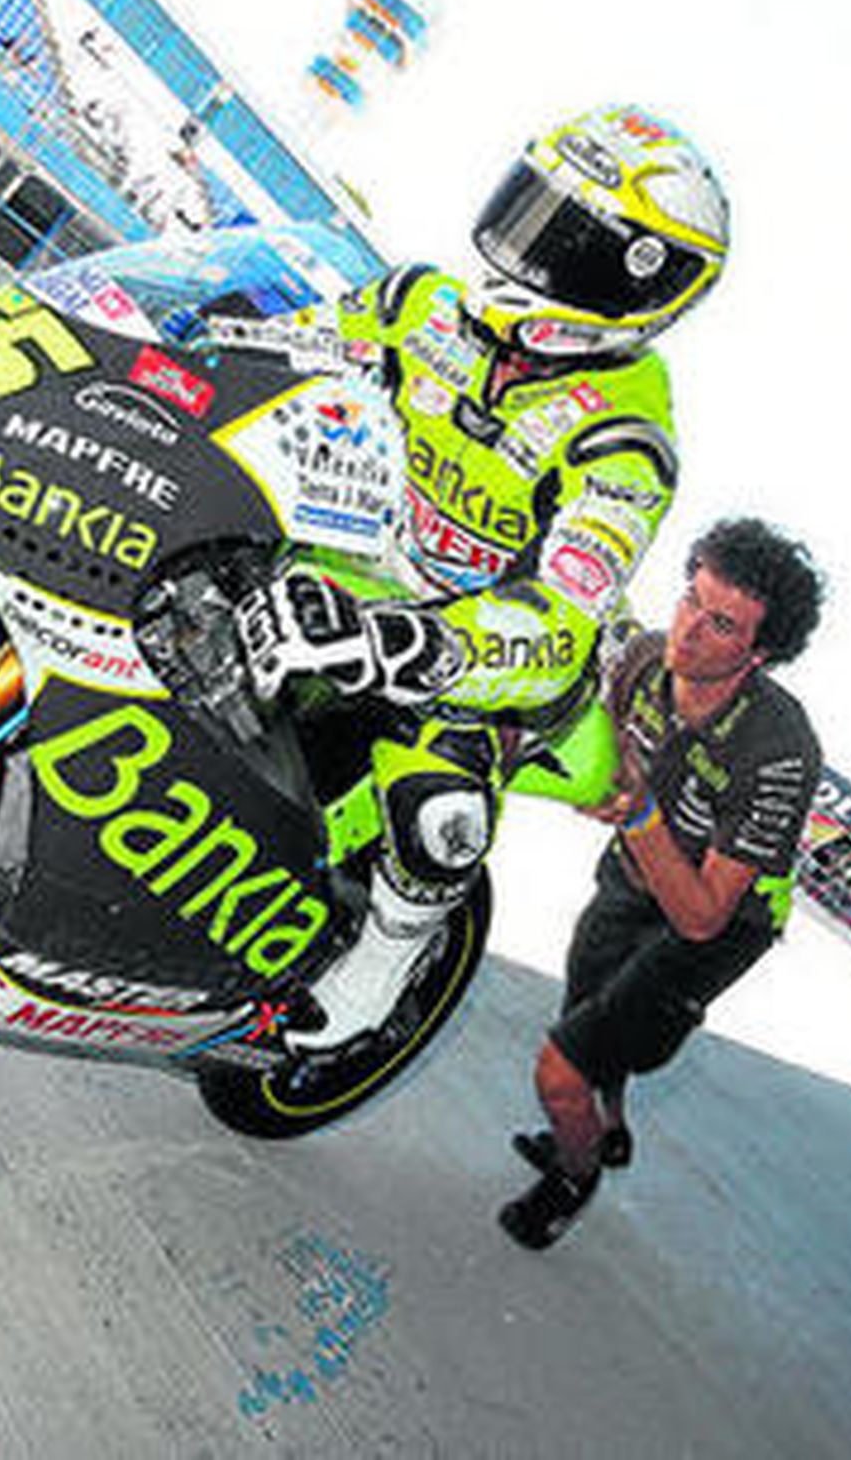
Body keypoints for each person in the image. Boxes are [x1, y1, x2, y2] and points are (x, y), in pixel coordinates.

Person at [234, 104, 731, 1052]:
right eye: (531, 207)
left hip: (478, 650)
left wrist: (403, 642)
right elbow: (275, 354)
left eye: (569, 238)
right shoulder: (418, 306)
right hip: (340, 557)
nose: (527, 247)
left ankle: (380, 973)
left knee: (442, 807)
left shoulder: (624, 441)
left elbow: (559, 623)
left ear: (641, 283)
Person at [498, 517, 825, 1249]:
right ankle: (606, 1128)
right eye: (690, 599)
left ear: (760, 652)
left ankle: (573, 1177)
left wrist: (639, 809)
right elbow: (583, 731)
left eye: (721, 624)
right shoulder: (645, 661)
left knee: (561, 1072)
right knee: (588, 1000)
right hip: (633, 873)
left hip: (716, 925)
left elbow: (704, 914)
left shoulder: (779, 750)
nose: (688, 632)